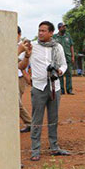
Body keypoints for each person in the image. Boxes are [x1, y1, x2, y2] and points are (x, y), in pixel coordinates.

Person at [19, 21, 69, 161]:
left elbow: (64, 64)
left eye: (44, 31)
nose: (40, 33)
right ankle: (35, 149)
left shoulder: (57, 47)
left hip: (55, 87)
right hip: (39, 86)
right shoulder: (32, 46)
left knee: (53, 118)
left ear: (51, 33)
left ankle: (54, 147)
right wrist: (27, 76)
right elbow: (20, 62)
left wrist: (60, 71)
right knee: (37, 119)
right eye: (39, 30)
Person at [54, 22, 75, 95]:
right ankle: (61, 90)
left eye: (65, 27)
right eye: (63, 27)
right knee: (60, 74)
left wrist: (73, 56)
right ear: (59, 28)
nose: (64, 28)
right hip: (58, 59)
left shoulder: (68, 36)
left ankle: (69, 90)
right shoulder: (55, 37)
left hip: (68, 58)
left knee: (69, 74)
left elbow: (71, 46)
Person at [17, 26, 31, 133]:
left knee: (17, 103)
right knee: (15, 103)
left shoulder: (23, 47)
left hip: (19, 78)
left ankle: (30, 123)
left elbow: (21, 64)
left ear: (19, 34)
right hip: (8, 78)